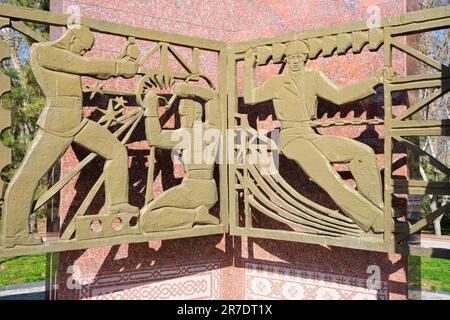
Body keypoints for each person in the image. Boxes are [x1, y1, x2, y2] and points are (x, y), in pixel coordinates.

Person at [243, 40, 404, 234]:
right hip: (291, 138)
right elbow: (251, 97)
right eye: (291, 57)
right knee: (328, 176)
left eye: (299, 57)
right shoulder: (278, 82)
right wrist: (249, 67)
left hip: (311, 134)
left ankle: (378, 210)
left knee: (364, 153)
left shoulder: (314, 77)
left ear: (305, 58)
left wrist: (375, 81)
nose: (295, 61)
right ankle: (375, 222)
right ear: (287, 59)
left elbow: (340, 96)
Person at [1, 24, 139, 248]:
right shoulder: (43, 51)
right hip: (57, 123)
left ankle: (118, 205)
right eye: (83, 48)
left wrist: (124, 64)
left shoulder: (69, 57)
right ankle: (14, 233)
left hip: (77, 121)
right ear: (72, 39)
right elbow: (83, 65)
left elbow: (96, 70)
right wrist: (118, 66)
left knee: (116, 152)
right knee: (28, 177)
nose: (83, 53)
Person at [139, 83, 221, 232]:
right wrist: (191, 90)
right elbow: (212, 97)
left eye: (183, 114)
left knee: (147, 219)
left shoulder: (187, 134)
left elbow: (155, 138)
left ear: (194, 113)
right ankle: (197, 215)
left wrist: (151, 108)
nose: (182, 118)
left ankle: (195, 216)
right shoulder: (213, 129)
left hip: (193, 191)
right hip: (209, 191)